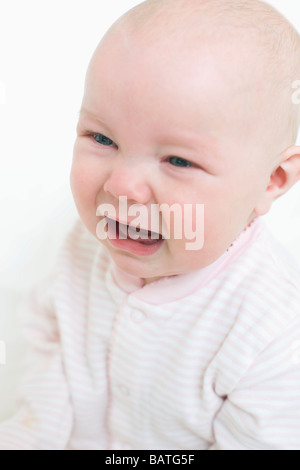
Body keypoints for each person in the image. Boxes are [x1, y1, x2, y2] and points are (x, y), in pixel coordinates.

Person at [1, 0, 300, 450]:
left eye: (178, 160)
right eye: (102, 138)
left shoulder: (274, 328)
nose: (121, 186)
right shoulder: (84, 248)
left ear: (270, 181)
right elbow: (51, 335)